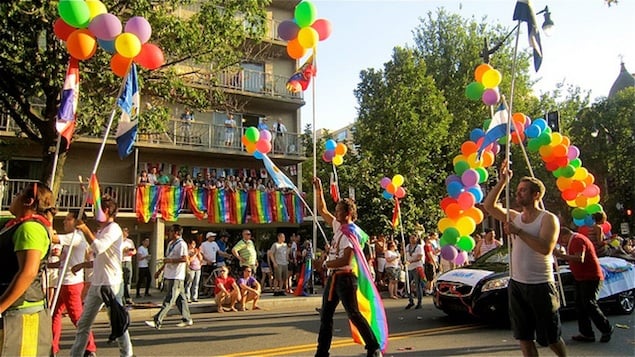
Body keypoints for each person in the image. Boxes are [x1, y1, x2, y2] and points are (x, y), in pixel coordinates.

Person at [483, 160, 566, 357]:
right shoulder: (514, 216)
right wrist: (503, 181)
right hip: (517, 285)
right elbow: (489, 206)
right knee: (524, 338)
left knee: (551, 338)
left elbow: (545, 248)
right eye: (518, 190)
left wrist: (518, 232)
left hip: (541, 285)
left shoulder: (547, 219)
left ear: (535, 195)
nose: (518, 194)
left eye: (523, 191)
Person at [312, 176, 382, 357]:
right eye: (336, 211)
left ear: (348, 213)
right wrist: (319, 190)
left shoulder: (351, 233)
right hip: (333, 279)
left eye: (339, 211)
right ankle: (322, 352)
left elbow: (345, 259)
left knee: (354, 314)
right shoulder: (338, 226)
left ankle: (373, 348)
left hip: (345, 278)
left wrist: (324, 263)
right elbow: (322, 210)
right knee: (325, 316)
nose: (335, 214)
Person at [71, 194, 134, 357]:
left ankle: (127, 354)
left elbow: (98, 248)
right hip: (96, 283)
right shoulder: (102, 230)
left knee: (117, 322)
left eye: (98, 210)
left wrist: (84, 228)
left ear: (106, 211)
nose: (94, 213)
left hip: (110, 284)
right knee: (83, 323)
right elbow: (98, 258)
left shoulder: (114, 229)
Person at [0, 182, 54, 356]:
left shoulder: (30, 228)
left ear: (28, 201)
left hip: (21, 313)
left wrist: (0, 307)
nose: (13, 197)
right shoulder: (13, 225)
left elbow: (28, 273)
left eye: (18, 194)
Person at [554, 227, 614, 343]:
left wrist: (562, 256)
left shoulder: (577, 240)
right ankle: (586, 333)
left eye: (561, 240)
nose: (561, 243)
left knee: (589, 304)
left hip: (590, 277)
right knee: (580, 305)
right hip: (581, 277)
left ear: (564, 236)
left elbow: (579, 258)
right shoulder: (573, 241)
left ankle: (606, 328)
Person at [52, 211, 97, 357]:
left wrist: (46, 223)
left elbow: (53, 238)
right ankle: (52, 347)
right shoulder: (70, 240)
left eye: (68, 219)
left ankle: (90, 348)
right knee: (54, 315)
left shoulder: (76, 237)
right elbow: (63, 262)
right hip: (62, 282)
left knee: (78, 318)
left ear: (76, 222)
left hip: (71, 284)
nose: (64, 222)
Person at [145, 224, 193, 329]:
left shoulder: (182, 244)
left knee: (170, 298)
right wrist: (160, 271)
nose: (169, 233)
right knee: (181, 299)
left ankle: (157, 320)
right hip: (170, 273)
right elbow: (167, 259)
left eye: (171, 231)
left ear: (176, 232)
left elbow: (184, 258)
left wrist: (171, 261)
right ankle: (187, 318)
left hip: (177, 275)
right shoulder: (171, 243)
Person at [404, 234, 424, 309]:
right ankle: (411, 301)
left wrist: (411, 261)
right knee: (407, 286)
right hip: (408, 268)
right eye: (410, 238)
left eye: (413, 238)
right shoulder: (407, 246)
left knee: (417, 285)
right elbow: (406, 256)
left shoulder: (419, 247)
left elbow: (419, 257)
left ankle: (419, 302)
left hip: (416, 267)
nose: (412, 239)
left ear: (416, 239)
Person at [121, 227, 136, 305]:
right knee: (121, 281)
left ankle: (128, 298)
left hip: (128, 260)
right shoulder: (118, 241)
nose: (126, 233)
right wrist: (123, 251)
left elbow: (134, 251)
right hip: (121, 261)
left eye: (127, 231)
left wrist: (130, 252)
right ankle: (122, 298)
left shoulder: (130, 241)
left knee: (128, 280)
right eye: (125, 231)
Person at [185, 238, 202, 303]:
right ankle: (187, 297)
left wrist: (198, 253)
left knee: (196, 283)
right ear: (189, 244)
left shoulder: (196, 250)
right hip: (191, 268)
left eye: (194, 244)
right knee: (189, 283)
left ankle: (194, 297)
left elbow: (201, 258)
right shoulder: (187, 251)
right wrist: (194, 254)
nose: (193, 245)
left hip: (198, 268)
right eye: (192, 244)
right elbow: (190, 260)